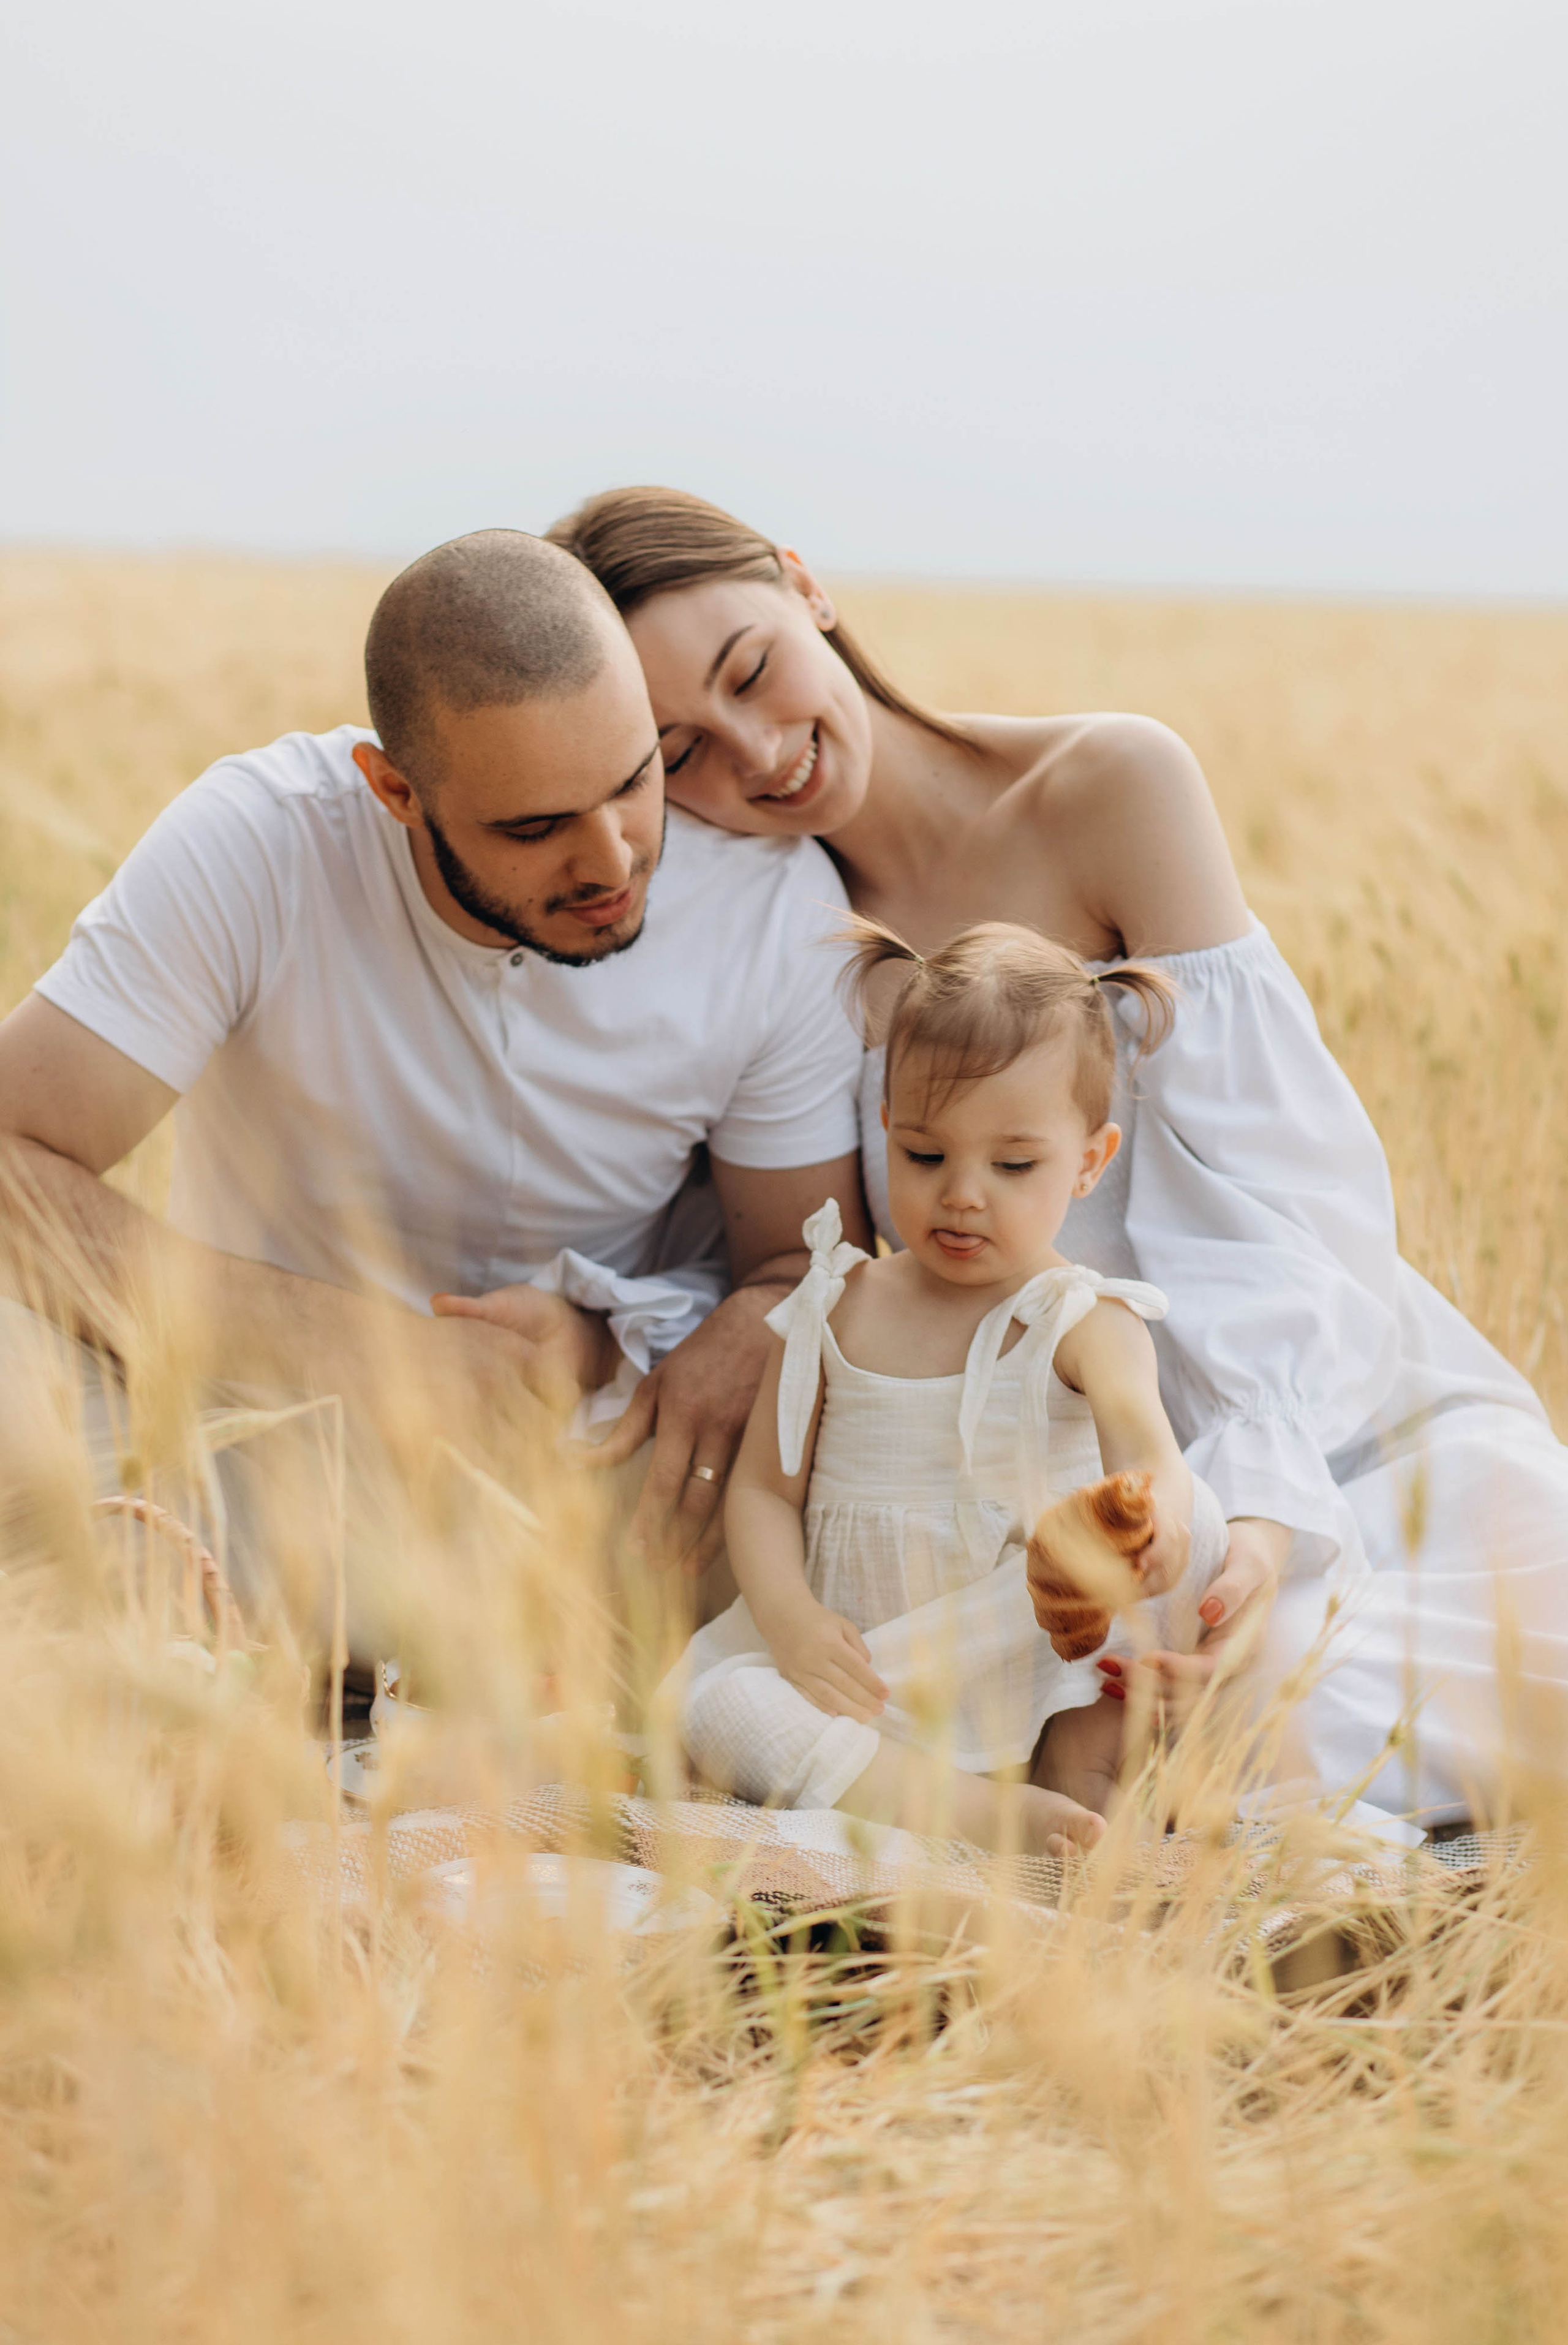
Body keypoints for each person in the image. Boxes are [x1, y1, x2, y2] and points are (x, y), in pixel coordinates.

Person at [549, 487, 1568, 1824]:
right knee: (1097, 1729)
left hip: (1319, 1425)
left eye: (751, 672)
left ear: (805, 585)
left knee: (1477, 1677)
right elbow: (809, 1273)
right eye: (678, 752)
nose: (755, 751)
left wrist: (1253, 1511)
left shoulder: (1108, 788)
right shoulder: (772, 943)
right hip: (1024, 1535)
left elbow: (1292, 1197)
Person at [0, 529, 868, 1595]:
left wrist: (675, 1334)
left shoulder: (776, 913)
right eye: (537, 825)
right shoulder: (261, 842)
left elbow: (802, 1265)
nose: (612, 860)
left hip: (585, 1481)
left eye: (635, 778)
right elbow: (12, 1155)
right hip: (237, 1443)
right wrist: (366, 1350)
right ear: (394, 790)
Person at [675, 919, 1229, 1854]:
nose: (962, 1194)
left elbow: (1148, 1451)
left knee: (1193, 1527)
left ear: (1089, 1160)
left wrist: (1159, 1526)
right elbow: (767, 1492)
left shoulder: (1080, 1318)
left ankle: (1082, 1783)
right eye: (927, 1156)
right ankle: (965, 1811)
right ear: (886, 1128)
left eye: (1013, 1166)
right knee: (721, 1707)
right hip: (867, 1670)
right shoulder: (834, 1301)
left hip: (1022, 1643)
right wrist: (793, 1622)